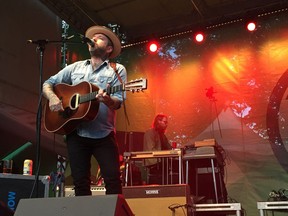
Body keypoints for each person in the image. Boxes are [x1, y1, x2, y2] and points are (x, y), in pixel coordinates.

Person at [42, 25, 126, 196]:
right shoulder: (75, 68)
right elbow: (48, 83)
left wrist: (107, 99)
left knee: (113, 180)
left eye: (100, 37)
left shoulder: (117, 70)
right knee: (80, 183)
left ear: (109, 48)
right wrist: (52, 97)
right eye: (92, 37)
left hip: (104, 135)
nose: (94, 39)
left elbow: (118, 102)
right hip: (76, 133)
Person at [142, 114, 172, 184]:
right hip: (155, 164)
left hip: (162, 163)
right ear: (158, 121)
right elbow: (150, 149)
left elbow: (168, 147)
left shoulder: (162, 135)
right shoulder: (150, 133)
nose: (166, 124)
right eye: (165, 122)